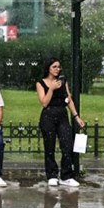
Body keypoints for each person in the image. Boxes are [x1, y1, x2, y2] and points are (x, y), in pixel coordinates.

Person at [36, 58, 85, 187]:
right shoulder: (41, 83)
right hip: (48, 115)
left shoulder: (63, 81)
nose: (57, 69)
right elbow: (44, 102)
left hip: (62, 115)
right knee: (50, 146)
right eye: (54, 66)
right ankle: (52, 174)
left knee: (67, 144)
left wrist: (76, 116)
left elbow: (69, 99)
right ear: (48, 68)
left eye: (59, 66)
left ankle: (66, 175)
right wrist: (51, 89)